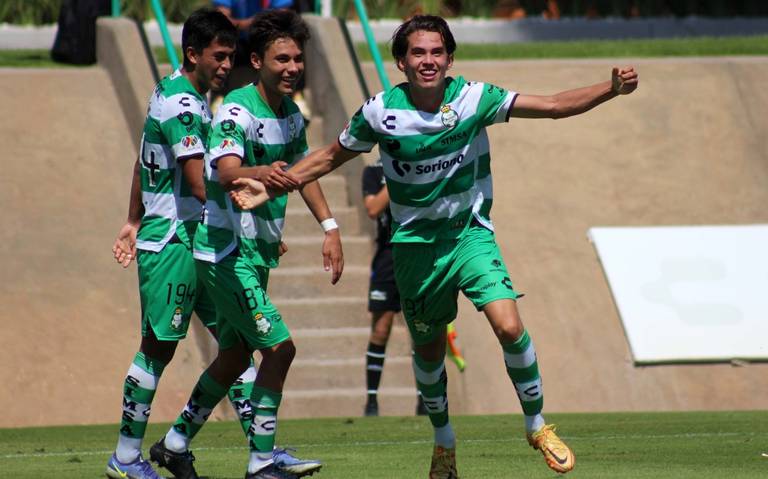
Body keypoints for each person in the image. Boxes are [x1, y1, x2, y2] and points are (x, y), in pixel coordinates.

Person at [234, 14, 638, 477]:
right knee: (428, 352)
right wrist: (272, 188)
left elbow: (550, 106)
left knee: (508, 325)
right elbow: (327, 157)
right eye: (418, 53)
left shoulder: (473, 99)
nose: (428, 61)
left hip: (468, 235)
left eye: (436, 52)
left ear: (449, 58)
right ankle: (444, 440)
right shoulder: (379, 112)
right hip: (413, 248)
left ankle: (537, 424)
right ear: (402, 62)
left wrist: (609, 89)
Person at [106, 9, 318, 479]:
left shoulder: (180, 95)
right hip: (174, 241)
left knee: (236, 345)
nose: (227, 65)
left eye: (230, 56)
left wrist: (130, 218)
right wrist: (253, 203)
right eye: (219, 57)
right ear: (193, 54)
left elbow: (143, 162)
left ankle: (242, 449)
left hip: (193, 236)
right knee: (158, 348)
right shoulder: (184, 105)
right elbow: (200, 181)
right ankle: (124, 457)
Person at [361, 160, 464, 418]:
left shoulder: (422, 164)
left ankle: (424, 400)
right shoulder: (374, 172)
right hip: (387, 256)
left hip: (419, 251)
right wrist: (397, 175)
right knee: (381, 328)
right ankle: (372, 402)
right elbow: (373, 208)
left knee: (421, 327)